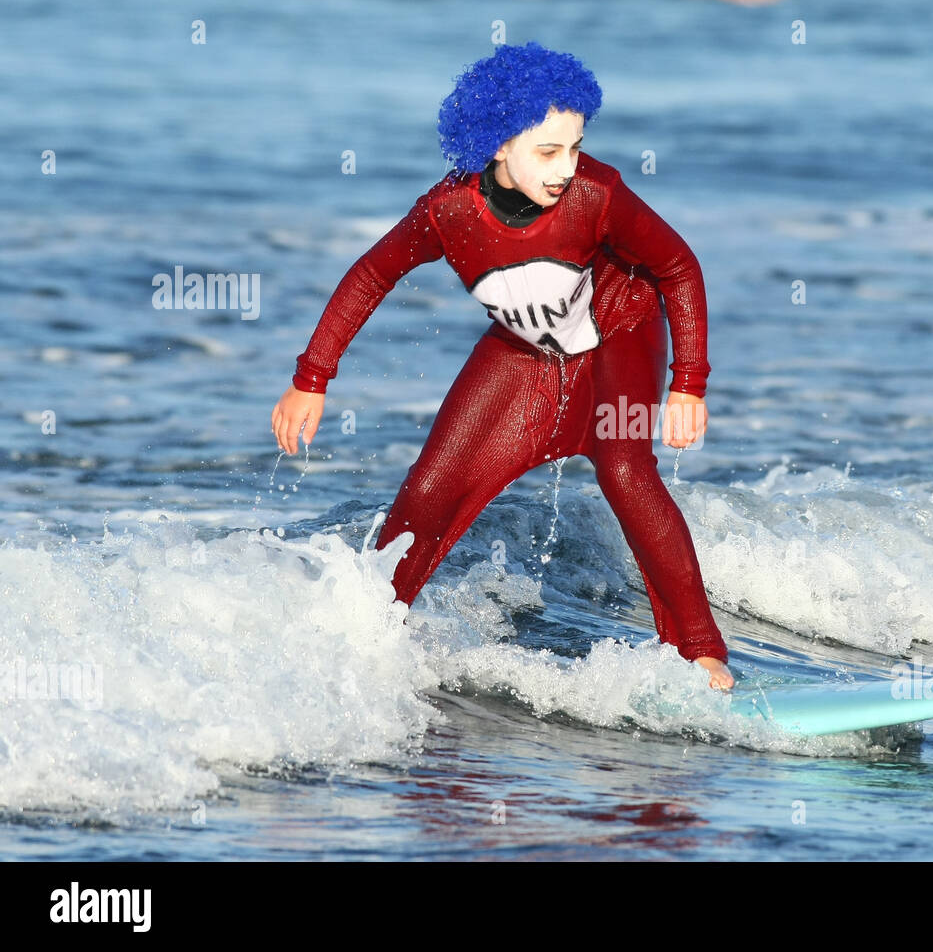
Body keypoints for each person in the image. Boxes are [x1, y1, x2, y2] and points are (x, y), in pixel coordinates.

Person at [271, 41, 733, 690]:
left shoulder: (597, 196)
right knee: (431, 486)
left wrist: (689, 383)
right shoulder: (448, 212)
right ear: (496, 145)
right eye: (548, 151)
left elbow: (677, 265)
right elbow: (372, 273)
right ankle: (365, 633)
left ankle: (700, 654)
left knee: (626, 467)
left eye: (574, 147)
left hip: (619, 335)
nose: (566, 167)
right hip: (528, 356)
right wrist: (311, 379)